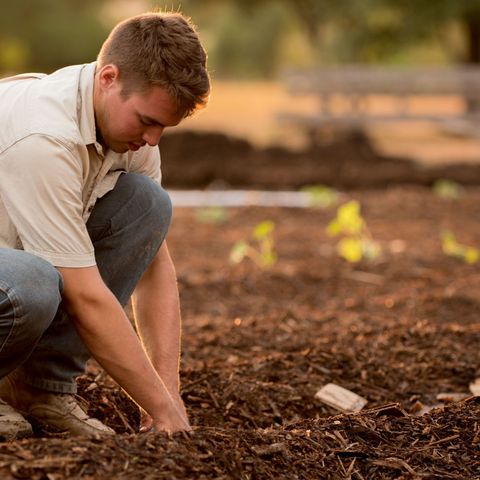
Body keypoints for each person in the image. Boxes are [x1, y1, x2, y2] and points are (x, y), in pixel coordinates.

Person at [0, 11, 210, 440]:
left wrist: (168, 394)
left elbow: (153, 266)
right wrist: (158, 406)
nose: (153, 140)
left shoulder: (129, 133)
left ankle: (40, 388)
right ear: (109, 78)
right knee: (32, 282)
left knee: (147, 205)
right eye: (147, 121)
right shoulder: (44, 138)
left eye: (163, 127)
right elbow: (85, 297)